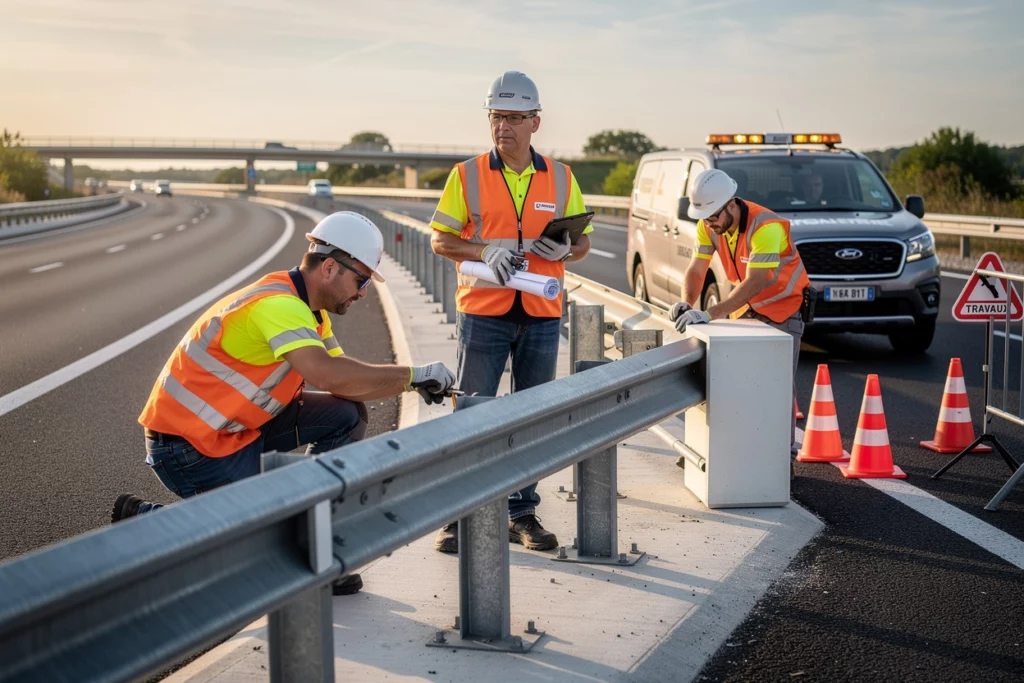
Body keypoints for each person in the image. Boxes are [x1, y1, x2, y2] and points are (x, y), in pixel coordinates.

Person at [112, 211, 456, 595]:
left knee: (345, 415)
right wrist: (411, 375)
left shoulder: (310, 312)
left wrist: (411, 383)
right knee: (262, 547)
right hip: (187, 448)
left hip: (234, 430)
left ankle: (308, 535)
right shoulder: (279, 305)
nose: (363, 292)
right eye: (361, 280)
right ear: (329, 268)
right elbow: (327, 374)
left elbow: (346, 385)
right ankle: (153, 524)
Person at [428, 70, 593, 554]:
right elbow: (440, 239)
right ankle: (462, 515)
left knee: (532, 415)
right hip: (484, 310)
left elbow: (583, 243)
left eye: (514, 118)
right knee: (473, 412)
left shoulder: (561, 177)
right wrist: (483, 250)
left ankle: (520, 513)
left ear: (535, 122)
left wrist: (566, 250)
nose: (503, 126)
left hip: (541, 310)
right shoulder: (467, 175)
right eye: (497, 116)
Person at [670, 169, 810, 458]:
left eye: (713, 217)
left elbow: (757, 280)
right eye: (704, 218)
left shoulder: (766, 226)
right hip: (745, 308)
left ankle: (781, 460)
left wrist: (709, 314)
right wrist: (687, 302)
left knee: (777, 388)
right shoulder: (708, 224)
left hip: (782, 311)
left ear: (731, 205)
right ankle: (740, 456)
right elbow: (697, 269)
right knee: (738, 382)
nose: (709, 223)